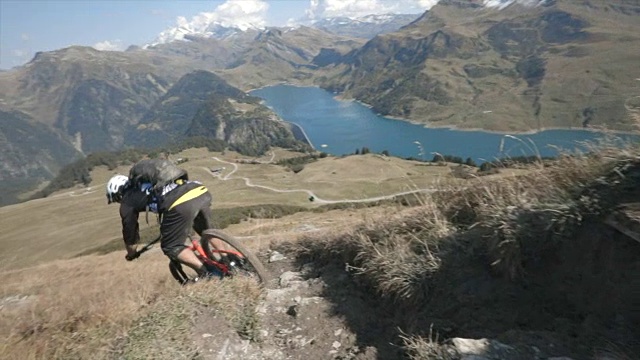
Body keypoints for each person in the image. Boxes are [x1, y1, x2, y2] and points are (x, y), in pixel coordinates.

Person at [106, 158, 224, 279]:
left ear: (117, 193)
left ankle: (210, 273)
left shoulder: (127, 200)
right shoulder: (151, 182)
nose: (119, 202)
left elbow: (129, 232)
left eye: (116, 199)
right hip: (198, 189)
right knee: (207, 231)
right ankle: (231, 260)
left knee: (171, 246)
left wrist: (131, 253)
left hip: (180, 202)